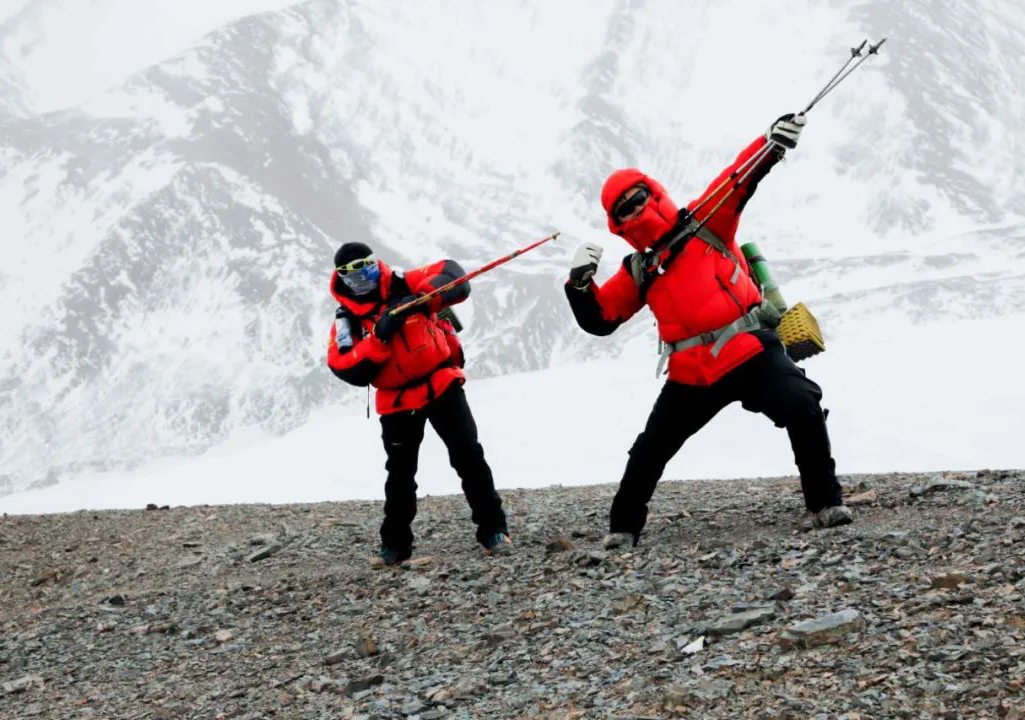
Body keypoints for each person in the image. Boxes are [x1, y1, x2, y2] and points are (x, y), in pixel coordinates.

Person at [564, 114, 852, 549]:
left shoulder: (706, 220)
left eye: (637, 197)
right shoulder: (640, 268)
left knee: (803, 406)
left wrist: (770, 144)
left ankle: (825, 503)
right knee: (649, 451)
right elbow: (602, 319)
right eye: (623, 208)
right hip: (690, 373)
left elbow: (736, 180)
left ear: (654, 192)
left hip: (749, 349)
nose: (635, 209)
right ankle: (622, 530)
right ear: (616, 224)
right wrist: (579, 286)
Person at [326, 242, 511, 566]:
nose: (361, 278)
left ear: (375, 263)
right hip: (397, 401)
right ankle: (395, 545)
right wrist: (380, 338)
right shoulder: (346, 322)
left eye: (365, 267)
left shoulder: (403, 282)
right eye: (350, 273)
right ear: (340, 277)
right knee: (400, 474)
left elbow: (453, 275)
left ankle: (494, 530)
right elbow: (346, 367)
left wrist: (423, 297)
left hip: (441, 383)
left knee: (468, 455)